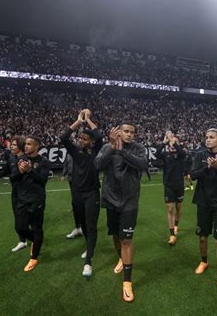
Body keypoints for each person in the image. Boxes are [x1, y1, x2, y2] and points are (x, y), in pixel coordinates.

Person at [94, 121, 147, 303]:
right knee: (116, 235)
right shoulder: (108, 147)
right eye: (126, 131)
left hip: (130, 202)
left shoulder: (139, 148)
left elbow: (142, 164)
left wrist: (121, 151)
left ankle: (127, 281)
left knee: (127, 239)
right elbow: (97, 165)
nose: (130, 134)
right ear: (119, 132)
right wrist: (111, 147)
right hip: (111, 199)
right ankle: (120, 259)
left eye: (132, 132)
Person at [59, 109, 103, 277]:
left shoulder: (95, 150)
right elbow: (63, 138)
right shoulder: (75, 152)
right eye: (79, 138)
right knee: (83, 225)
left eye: (84, 139)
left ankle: (88, 261)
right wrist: (78, 121)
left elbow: (99, 136)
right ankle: (89, 247)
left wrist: (89, 120)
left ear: (91, 142)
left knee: (91, 227)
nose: (80, 141)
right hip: (77, 194)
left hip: (92, 193)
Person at [190, 128, 217, 298]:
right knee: (202, 237)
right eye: (206, 137)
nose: (207, 139)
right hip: (203, 202)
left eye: (211, 137)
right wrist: (208, 167)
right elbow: (193, 175)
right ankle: (204, 261)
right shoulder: (200, 155)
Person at [14, 136, 51, 272]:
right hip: (23, 200)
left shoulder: (44, 162)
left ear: (36, 146)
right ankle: (36, 241)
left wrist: (30, 171)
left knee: (37, 228)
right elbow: (13, 178)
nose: (26, 146)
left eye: (29, 144)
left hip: (37, 200)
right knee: (20, 228)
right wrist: (20, 171)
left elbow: (42, 181)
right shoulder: (21, 160)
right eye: (25, 144)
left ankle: (34, 258)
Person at [155, 131, 186, 245]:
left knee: (178, 208)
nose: (172, 143)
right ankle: (172, 234)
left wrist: (174, 143)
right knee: (170, 209)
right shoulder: (166, 155)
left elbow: (182, 153)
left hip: (179, 185)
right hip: (169, 186)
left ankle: (176, 225)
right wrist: (163, 143)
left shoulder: (181, 154)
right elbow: (157, 155)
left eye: (175, 141)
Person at [63, 153, 84, 239]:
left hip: (81, 179)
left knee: (82, 204)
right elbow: (66, 163)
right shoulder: (69, 154)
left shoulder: (82, 153)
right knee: (75, 203)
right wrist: (64, 173)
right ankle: (78, 227)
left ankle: (84, 227)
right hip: (72, 179)